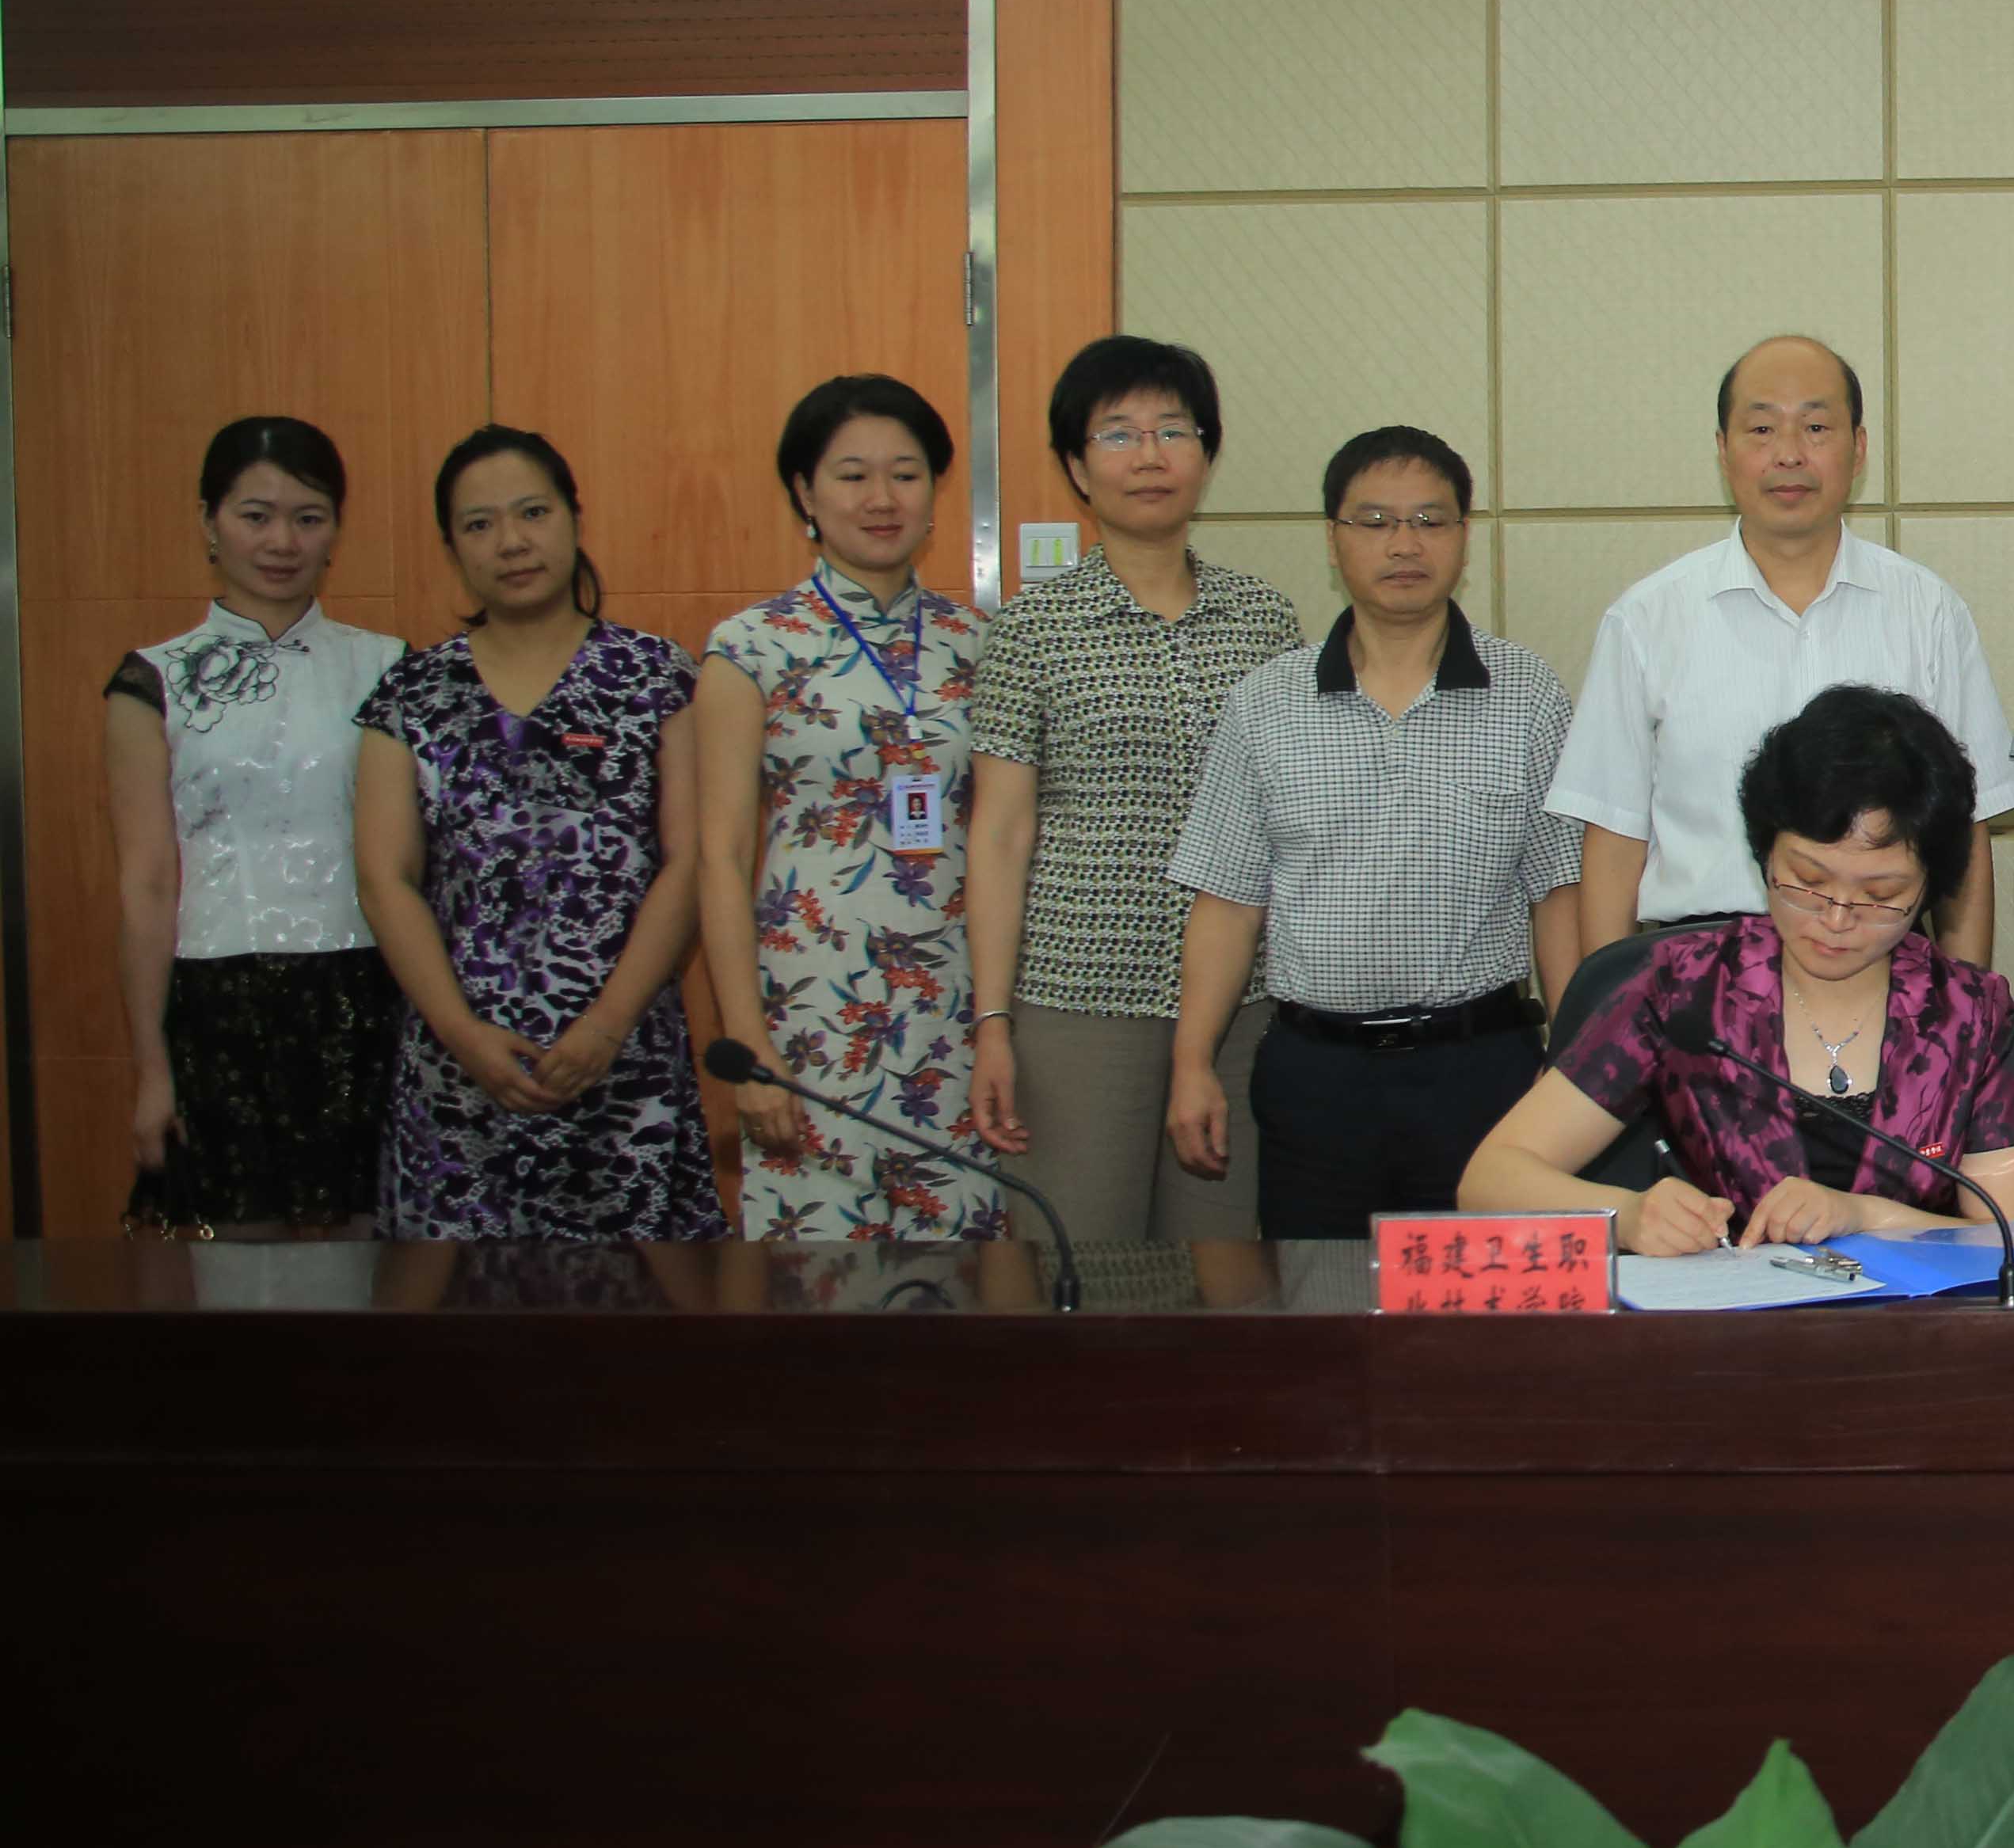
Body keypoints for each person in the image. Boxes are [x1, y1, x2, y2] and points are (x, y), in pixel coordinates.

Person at [1167, 426, 1585, 1242]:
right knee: (1319, 1305)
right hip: (1315, 1076)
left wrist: (1575, 1065)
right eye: (1375, 521)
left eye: (1430, 520)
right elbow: (1228, 905)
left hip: (1482, 1070)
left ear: (1464, 536)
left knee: (1482, 1307)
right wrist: (1191, 1065)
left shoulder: (1527, 694)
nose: (1404, 544)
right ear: (1333, 540)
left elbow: (1558, 896)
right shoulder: (1266, 702)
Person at [1460, 686, 2014, 1249]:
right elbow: (1490, 1180)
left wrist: (1866, 1216)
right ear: (1765, 851)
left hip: (1914, 1317)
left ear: (1929, 890)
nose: (1836, 919)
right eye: (1808, 881)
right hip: (1725, 1310)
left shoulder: (1968, 1014)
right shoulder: (1685, 988)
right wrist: (1627, 1216)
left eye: (1881, 894)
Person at [964, 336, 1305, 1243]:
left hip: (1245, 1002)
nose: (1149, 456)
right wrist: (992, 1021)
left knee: (1228, 1266)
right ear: (1077, 468)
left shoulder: (1266, 620)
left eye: (1172, 430)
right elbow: (1000, 834)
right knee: (1081, 1260)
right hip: (1079, 996)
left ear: (1207, 454)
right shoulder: (1032, 629)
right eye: (1118, 434)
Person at [352, 427, 719, 1239]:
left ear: (574, 519)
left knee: (636, 1305)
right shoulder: (411, 693)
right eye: (479, 524)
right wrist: (461, 1034)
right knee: (460, 1311)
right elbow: (384, 878)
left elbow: (692, 861)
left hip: (623, 1065)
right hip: (461, 1067)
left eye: (532, 513)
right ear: (451, 548)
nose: (511, 542)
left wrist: (606, 1026)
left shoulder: (657, 677)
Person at [1551, 335, 2014, 953]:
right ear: (1724, 450)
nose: (1790, 454)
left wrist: (1966, 999)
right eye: (1762, 429)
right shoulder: (1646, 619)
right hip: (1701, 967)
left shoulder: (1928, 611)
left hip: (1883, 963)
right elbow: (1614, 841)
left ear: (1859, 449)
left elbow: (1966, 832)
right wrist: (1606, 1007)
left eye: (1817, 428)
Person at [694, 375, 999, 1240]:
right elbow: (719, 856)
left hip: (955, 1005)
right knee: (818, 1271)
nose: (881, 499)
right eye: (852, 475)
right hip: (812, 1008)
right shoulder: (749, 647)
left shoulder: (980, 644)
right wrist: (748, 1046)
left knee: (964, 1263)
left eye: (905, 474)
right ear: (805, 491)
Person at [102, 416, 407, 1235]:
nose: (282, 542)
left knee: (372, 1259)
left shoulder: (391, 666)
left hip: (367, 992)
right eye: (255, 515)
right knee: (240, 1269)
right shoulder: (151, 680)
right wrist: (151, 1069)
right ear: (209, 521)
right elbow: (146, 884)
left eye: (308, 517)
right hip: (217, 1000)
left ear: (337, 529)